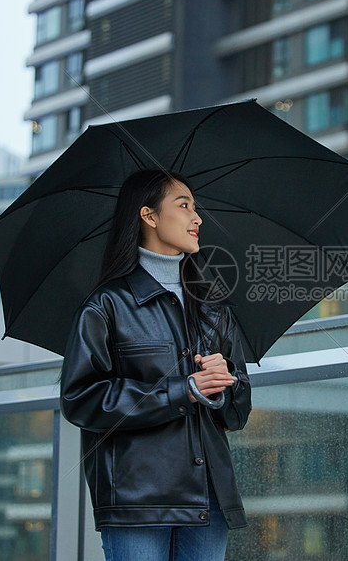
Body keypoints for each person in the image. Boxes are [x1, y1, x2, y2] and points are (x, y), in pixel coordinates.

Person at [60, 169, 251, 561]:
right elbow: (80, 398)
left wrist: (223, 386)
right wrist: (185, 389)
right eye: (184, 206)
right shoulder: (106, 306)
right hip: (137, 501)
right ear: (148, 216)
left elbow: (239, 412)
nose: (197, 218)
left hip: (208, 498)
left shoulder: (213, 308)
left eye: (196, 209)